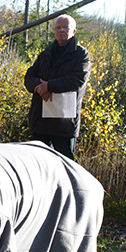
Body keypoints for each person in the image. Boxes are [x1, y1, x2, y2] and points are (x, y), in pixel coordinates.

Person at [23, 14, 90, 160]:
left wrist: (49, 86)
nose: (61, 30)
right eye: (58, 27)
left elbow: (77, 80)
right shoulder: (46, 54)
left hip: (64, 122)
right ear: (54, 31)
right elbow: (29, 77)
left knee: (64, 166)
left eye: (66, 27)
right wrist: (39, 88)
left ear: (74, 31)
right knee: (38, 164)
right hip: (41, 120)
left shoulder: (81, 55)